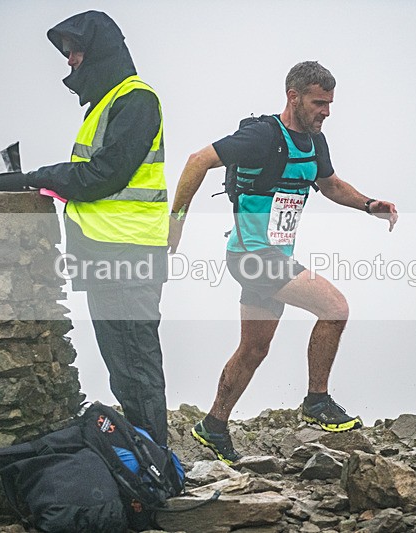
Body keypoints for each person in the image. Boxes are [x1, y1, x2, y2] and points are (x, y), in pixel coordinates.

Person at [0, 11, 171, 445]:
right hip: (111, 251)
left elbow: (98, 178)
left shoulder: (136, 100)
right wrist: (5, 183)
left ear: (100, 52)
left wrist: (25, 178)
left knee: (135, 366)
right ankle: (150, 462)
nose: (69, 61)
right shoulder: (109, 103)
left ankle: (154, 469)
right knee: (126, 367)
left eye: (75, 51)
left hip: (126, 254)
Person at [168, 61, 398, 463]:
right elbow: (196, 160)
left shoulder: (314, 141)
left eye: (329, 103)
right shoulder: (261, 135)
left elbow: (329, 184)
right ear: (293, 97)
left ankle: (213, 426)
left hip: (272, 258)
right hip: (253, 257)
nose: (326, 111)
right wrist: (176, 223)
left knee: (254, 348)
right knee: (335, 308)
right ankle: (317, 401)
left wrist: (368, 205)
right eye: (318, 103)